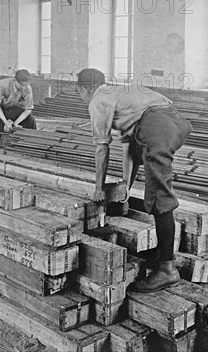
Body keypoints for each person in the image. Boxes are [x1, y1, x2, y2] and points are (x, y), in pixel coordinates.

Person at [77, 68, 192, 293]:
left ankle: (168, 270)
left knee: (159, 197)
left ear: (84, 88)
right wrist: (124, 192)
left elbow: (102, 148)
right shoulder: (120, 92)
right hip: (175, 121)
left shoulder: (98, 100)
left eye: (79, 93)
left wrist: (99, 188)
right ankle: (162, 257)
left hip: (157, 126)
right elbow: (131, 149)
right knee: (144, 156)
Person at [0, 69, 36, 148]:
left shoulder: (28, 89)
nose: (24, 88)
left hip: (10, 105)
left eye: (26, 85)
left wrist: (16, 123)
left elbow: (28, 109)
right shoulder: (3, 85)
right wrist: (5, 122)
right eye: (22, 85)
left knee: (30, 120)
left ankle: (29, 145)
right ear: (15, 81)